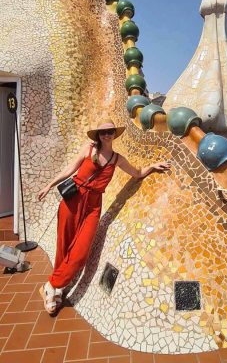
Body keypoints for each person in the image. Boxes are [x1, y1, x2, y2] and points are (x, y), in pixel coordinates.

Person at [38, 118, 170, 314]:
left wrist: (153, 166)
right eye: (102, 132)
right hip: (73, 200)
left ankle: (51, 284)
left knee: (81, 252)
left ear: (114, 134)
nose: (106, 135)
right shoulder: (89, 149)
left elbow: (137, 173)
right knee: (64, 244)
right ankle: (57, 290)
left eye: (109, 132)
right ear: (98, 135)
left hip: (93, 206)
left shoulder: (117, 159)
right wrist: (50, 185)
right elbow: (70, 169)